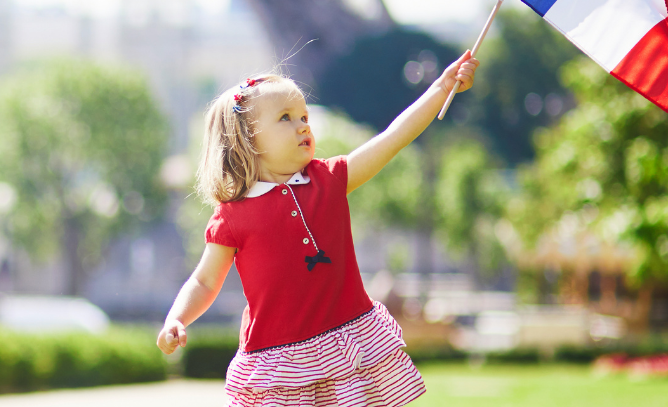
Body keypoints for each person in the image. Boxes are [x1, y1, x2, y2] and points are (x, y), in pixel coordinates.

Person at [157, 52, 479, 406]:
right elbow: (204, 281)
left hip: (346, 348)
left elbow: (392, 138)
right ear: (248, 138)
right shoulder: (232, 216)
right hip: (279, 364)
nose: (303, 126)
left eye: (304, 117)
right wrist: (177, 318)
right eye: (285, 118)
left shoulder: (330, 178)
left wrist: (440, 87)